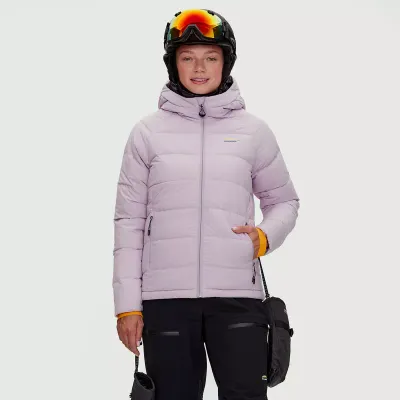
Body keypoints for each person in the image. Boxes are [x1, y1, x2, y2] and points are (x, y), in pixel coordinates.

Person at [113, 8, 300, 400]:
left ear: (225, 62)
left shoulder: (253, 132)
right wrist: (127, 307)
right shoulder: (147, 134)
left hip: (237, 297)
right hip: (165, 301)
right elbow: (128, 223)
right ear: (174, 64)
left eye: (210, 57)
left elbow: (284, 201)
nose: (199, 68)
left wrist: (264, 236)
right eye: (188, 57)